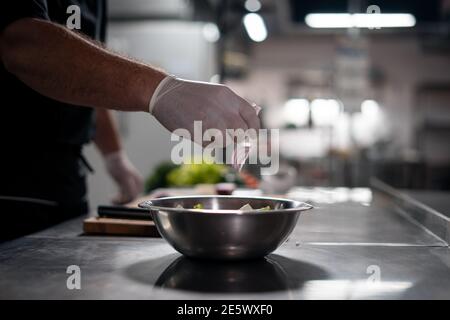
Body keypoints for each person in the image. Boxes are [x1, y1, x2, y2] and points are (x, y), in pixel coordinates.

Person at [0, 0, 260, 240]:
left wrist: (115, 157)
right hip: (15, 181)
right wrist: (160, 90)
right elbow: (22, 43)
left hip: (67, 178)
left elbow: (83, 80)